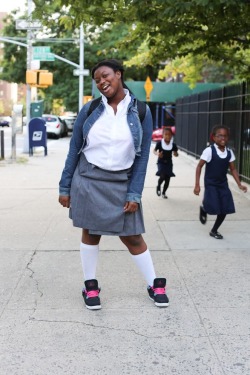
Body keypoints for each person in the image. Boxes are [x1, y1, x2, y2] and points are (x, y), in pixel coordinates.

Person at [59, 59, 169, 310]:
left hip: (122, 181)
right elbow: (74, 149)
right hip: (88, 179)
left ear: (118, 74)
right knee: (91, 232)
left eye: (105, 76)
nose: (101, 82)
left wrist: (134, 192)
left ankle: (154, 283)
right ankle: (90, 286)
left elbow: (141, 158)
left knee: (132, 236)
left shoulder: (141, 111)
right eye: (97, 79)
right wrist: (65, 187)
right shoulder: (90, 110)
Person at [194, 124, 247, 239]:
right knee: (213, 207)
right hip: (211, 184)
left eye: (226, 136)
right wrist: (197, 185)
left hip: (223, 184)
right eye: (220, 136)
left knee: (225, 209)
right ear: (213, 137)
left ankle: (214, 230)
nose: (223, 138)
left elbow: (233, 169)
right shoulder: (209, 151)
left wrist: (239, 184)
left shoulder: (229, 152)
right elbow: (199, 167)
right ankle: (205, 207)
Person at [154, 127, 178, 198]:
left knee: (167, 179)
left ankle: (164, 193)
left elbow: (176, 153)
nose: (167, 136)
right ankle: (158, 186)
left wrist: (175, 154)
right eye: (166, 134)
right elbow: (154, 150)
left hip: (169, 163)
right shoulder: (159, 144)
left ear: (171, 135)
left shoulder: (173, 145)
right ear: (163, 135)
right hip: (161, 162)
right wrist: (158, 154)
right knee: (162, 175)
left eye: (169, 135)